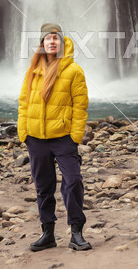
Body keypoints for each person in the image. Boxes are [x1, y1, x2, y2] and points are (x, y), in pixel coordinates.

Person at [17, 22, 92, 252]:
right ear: (42, 44)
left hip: (63, 138)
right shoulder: (33, 70)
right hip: (36, 137)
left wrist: (74, 137)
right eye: (47, 39)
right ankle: (47, 233)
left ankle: (76, 232)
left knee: (73, 181)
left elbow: (80, 106)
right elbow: (24, 102)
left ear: (62, 42)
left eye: (55, 38)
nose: (51, 42)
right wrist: (24, 133)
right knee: (43, 186)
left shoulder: (73, 70)